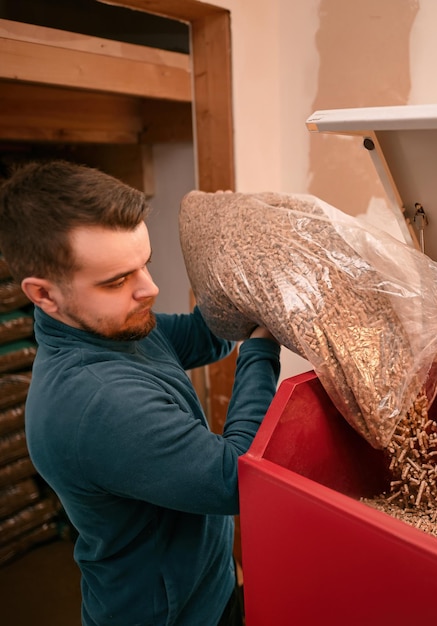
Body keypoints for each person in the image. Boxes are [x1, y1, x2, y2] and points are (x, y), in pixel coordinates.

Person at [0, 160, 281, 626]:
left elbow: (205, 336)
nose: (149, 289)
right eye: (116, 281)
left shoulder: (115, 327)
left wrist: (240, 260)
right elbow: (238, 479)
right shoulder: (97, 402)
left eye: (143, 264)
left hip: (206, 590)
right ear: (44, 295)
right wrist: (263, 345)